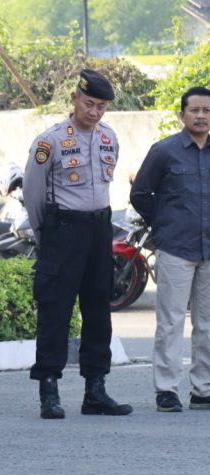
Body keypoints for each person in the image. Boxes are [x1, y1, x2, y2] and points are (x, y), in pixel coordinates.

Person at [22, 69, 132, 419]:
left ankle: (95, 389)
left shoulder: (108, 138)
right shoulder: (49, 141)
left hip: (99, 229)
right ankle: (49, 389)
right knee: (55, 309)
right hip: (63, 230)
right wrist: (46, 234)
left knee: (99, 309)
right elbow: (33, 193)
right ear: (74, 98)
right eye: (89, 104)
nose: (95, 112)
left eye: (101, 106)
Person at [130, 86, 210, 412]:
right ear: (182, 115)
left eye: (207, 110)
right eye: (195, 110)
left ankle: (203, 389)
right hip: (176, 249)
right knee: (170, 323)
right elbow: (140, 194)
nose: (202, 116)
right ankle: (166, 390)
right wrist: (162, 226)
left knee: (207, 324)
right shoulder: (164, 151)